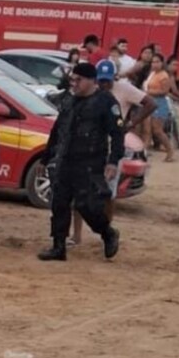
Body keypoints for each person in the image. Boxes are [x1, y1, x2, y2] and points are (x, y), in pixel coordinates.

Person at [39, 63, 122, 262]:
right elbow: (57, 130)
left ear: (92, 80)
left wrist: (113, 162)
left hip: (90, 162)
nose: (74, 84)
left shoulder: (105, 101)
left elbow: (118, 133)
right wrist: (46, 157)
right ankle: (58, 247)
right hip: (65, 160)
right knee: (59, 204)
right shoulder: (69, 100)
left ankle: (107, 233)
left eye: (79, 80)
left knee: (88, 206)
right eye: (72, 80)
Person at [70, 59, 156, 246]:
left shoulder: (124, 90)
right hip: (88, 149)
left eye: (108, 80)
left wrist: (131, 123)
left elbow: (150, 103)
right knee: (79, 193)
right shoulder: (88, 93)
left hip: (113, 148)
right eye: (101, 80)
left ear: (114, 78)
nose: (104, 84)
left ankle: (106, 234)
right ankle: (76, 235)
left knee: (109, 194)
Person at [142, 53, 176, 162]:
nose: (154, 64)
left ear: (162, 63)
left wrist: (149, 92)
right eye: (153, 62)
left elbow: (164, 91)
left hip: (159, 104)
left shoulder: (164, 76)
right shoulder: (152, 74)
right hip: (149, 103)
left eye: (157, 62)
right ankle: (144, 152)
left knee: (157, 130)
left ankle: (170, 151)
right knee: (147, 130)